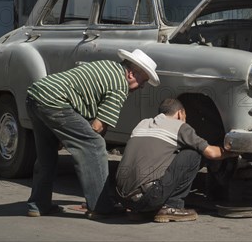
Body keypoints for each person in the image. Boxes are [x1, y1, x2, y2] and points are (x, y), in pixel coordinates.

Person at [25, 48, 160, 219]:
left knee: (47, 155)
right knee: (95, 146)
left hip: (36, 95)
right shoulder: (120, 85)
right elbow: (97, 128)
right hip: (55, 101)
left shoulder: (108, 66)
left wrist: (65, 137)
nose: (142, 87)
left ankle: (38, 205)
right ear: (132, 74)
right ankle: (100, 206)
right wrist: (80, 143)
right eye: (143, 81)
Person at [115, 98, 236, 223]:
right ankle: (171, 206)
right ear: (180, 113)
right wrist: (234, 151)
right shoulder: (180, 126)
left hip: (123, 199)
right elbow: (211, 153)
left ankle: (141, 210)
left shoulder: (142, 123)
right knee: (193, 154)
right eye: (185, 116)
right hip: (148, 197)